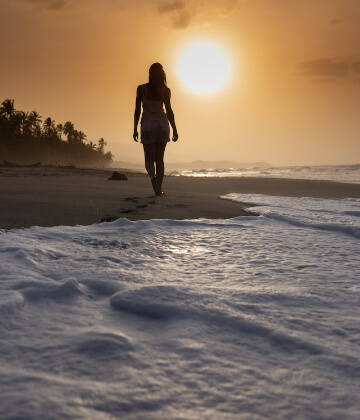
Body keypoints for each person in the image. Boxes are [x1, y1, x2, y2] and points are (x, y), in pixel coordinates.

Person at [133, 62, 178, 196]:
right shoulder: (166, 90)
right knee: (160, 159)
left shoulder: (141, 89)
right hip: (162, 125)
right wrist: (175, 128)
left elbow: (137, 110)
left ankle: (153, 179)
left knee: (149, 159)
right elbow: (169, 110)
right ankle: (159, 188)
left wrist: (135, 128)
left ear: (150, 74)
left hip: (147, 125)